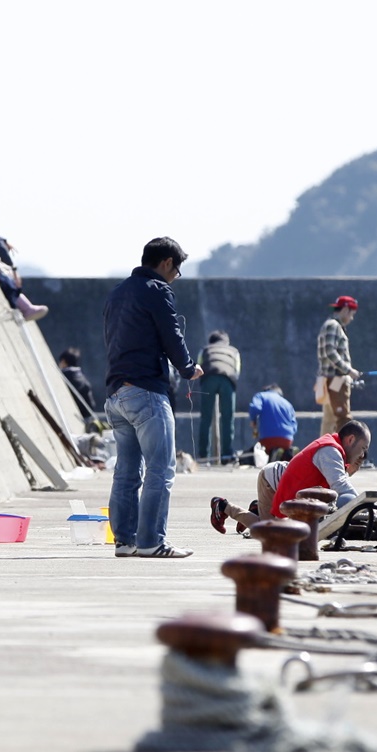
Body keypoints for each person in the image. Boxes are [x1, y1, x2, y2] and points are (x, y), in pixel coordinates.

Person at [103, 236, 201, 558]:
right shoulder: (157, 290)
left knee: (127, 472)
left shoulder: (118, 293)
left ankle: (125, 542)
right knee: (161, 469)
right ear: (167, 263)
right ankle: (151, 542)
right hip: (146, 392)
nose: (176, 276)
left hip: (117, 393)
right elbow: (172, 333)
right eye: (177, 269)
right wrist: (188, 368)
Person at [210, 420, 371, 533]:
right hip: (271, 481)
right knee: (272, 533)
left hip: (282, 479)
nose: (362, 455)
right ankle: (224, 506)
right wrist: (366, 508)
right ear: (350, 440)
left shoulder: (336, 452)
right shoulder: (330, 451)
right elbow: (340, 485)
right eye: (363, 448)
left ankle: (259, 509)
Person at [315, 294, 361, 437]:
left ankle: (322, 451)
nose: (351, 318)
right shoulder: (334, 326)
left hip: (328, 380)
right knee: (343, 418)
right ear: (346, 310)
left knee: (329, 419)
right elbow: (330, 351)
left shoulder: (328, 325)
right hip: (336, 380)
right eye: (352, 314)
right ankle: (345, 452)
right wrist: (349, 370)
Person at [195, 330, 242, 464]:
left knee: (206, 418)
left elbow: (199, 365)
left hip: (209, 378)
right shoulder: (233, 351)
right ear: (226, 342)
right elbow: (237, 371)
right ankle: (226, 455)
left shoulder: (204, 350)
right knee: (228, 418)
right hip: (227, 379)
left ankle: (204, 456)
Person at [247, 382, 298, 461]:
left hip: (268, 438)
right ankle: (287, 452)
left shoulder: (261, 396)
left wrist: (253, 421)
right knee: (283, 455)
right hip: (287, 439)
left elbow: (255, 407)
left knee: (266, 449)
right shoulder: (287, 403)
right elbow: (294, 425)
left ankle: (273, 454)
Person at [57, 347, 99, 414]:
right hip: (85, 416)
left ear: (63, 361)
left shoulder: (61, 377)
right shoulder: (82, 378)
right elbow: (91, 404)